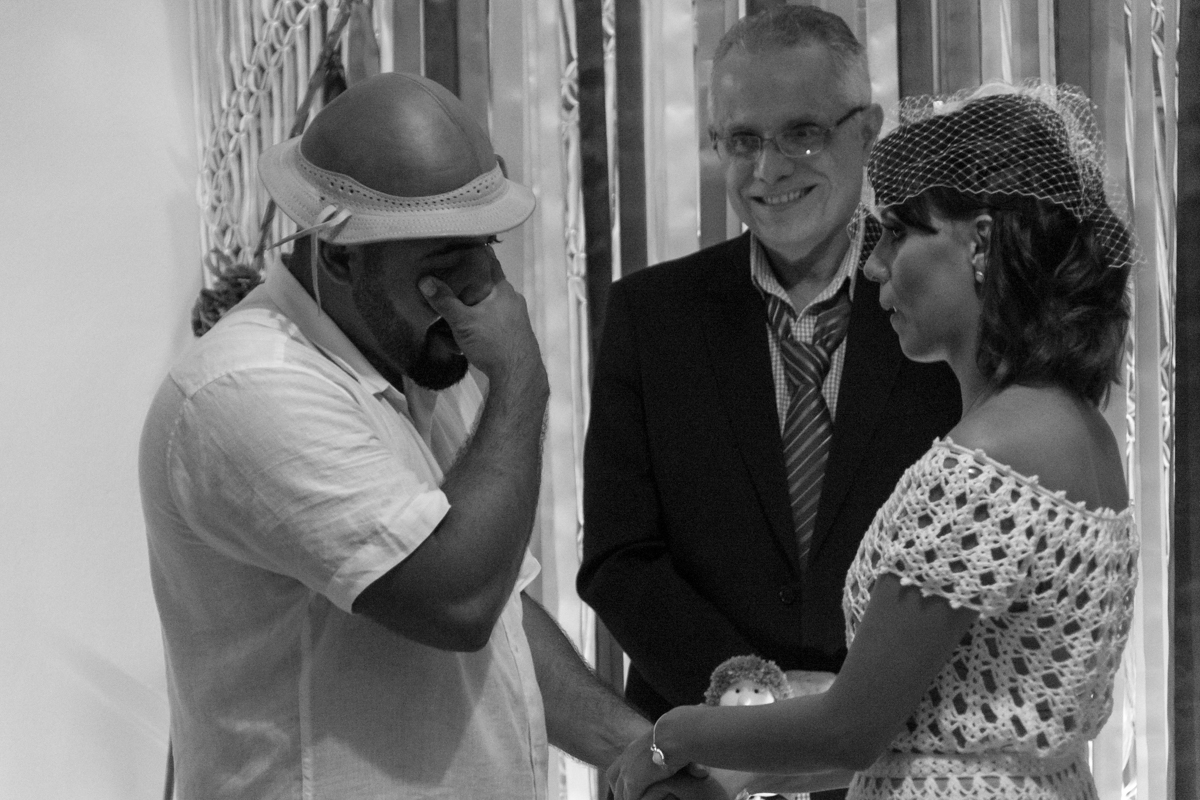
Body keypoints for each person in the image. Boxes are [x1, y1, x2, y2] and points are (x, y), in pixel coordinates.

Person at [605, 81, 1140, 800]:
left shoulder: (986, 461)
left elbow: (851, 731)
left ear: (980, 242)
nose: (873, 264)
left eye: (897, 232)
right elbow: (924, 729)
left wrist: (676, 734)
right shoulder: (1082, 427)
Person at [139, 71, 649, 799]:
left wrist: (642, 752)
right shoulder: (248, 385)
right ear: (339, 255)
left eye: (486, 247)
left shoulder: (413, 360)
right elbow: (459, 603)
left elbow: (501, 616)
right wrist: (522, 377)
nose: (484, 288)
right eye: (444, 267)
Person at [577, 8, 960, 797]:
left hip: (905, 762)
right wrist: (752, 696)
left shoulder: (945, 310)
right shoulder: (651, 316)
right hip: (702, 766)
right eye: (743, 140)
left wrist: (854, 710)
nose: (768, 170)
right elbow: (620, 558)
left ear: (867, 132)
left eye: (802, 135)